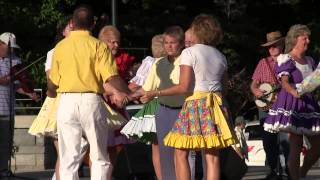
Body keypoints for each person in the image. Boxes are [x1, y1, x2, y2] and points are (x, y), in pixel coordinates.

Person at [138, 14, 238, 180]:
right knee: (212, 157)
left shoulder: (189, 53)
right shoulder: (220, 56)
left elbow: (184, 86)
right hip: (216, 104)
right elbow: (224, 88)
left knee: (180, 152)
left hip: (195, 104)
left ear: (198, 31)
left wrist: (155, 93)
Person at [47, 5, 130, 180]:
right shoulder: (99, 46)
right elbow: (111, 77)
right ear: (93, 24)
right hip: (91, 101)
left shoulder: (61, 47)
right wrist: (127, 92)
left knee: (68, 158)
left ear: (73, 23)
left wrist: (51, 93)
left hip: (67, 102)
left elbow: (53, 82)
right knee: (99, 156)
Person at [264, 24, 320, 180]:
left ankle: (302, 172)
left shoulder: (309, 60)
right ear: (296, 39)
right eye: (305, 38)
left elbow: (315, 80)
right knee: (295, 146)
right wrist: (294, 92)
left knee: (317, 146)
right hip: (293, 102)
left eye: (308, 38)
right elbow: (284, 82)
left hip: (309, 103)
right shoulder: (286, 58)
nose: (308, 41)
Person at [121, 34, 166, 180]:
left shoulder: (151, 63)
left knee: (157, 147)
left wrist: (125, 94)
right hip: (172, 104)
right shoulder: (177, 62)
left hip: (155, 106)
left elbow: (135, 86)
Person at [250, 31, 290, 179]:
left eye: (274, 45)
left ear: (282, 44)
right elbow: (254, 84)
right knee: (268, 141)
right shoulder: (263, 62)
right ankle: (273, 169)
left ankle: (288, 170)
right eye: (269, 46)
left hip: (285, 105)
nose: (271, 49)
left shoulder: (289, 61)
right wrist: (256, 91)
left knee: (286, 141)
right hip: (266, 108)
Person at [0, 32, 39, 175]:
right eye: (8, 47)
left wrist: (29, 93)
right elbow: (3, 81)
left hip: (8, 109)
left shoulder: (15, 61)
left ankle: (3, 170)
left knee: (6, 143)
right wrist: (8, 78)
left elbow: (17, 85)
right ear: (1, 44)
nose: (11, 50)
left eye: (12, 48)